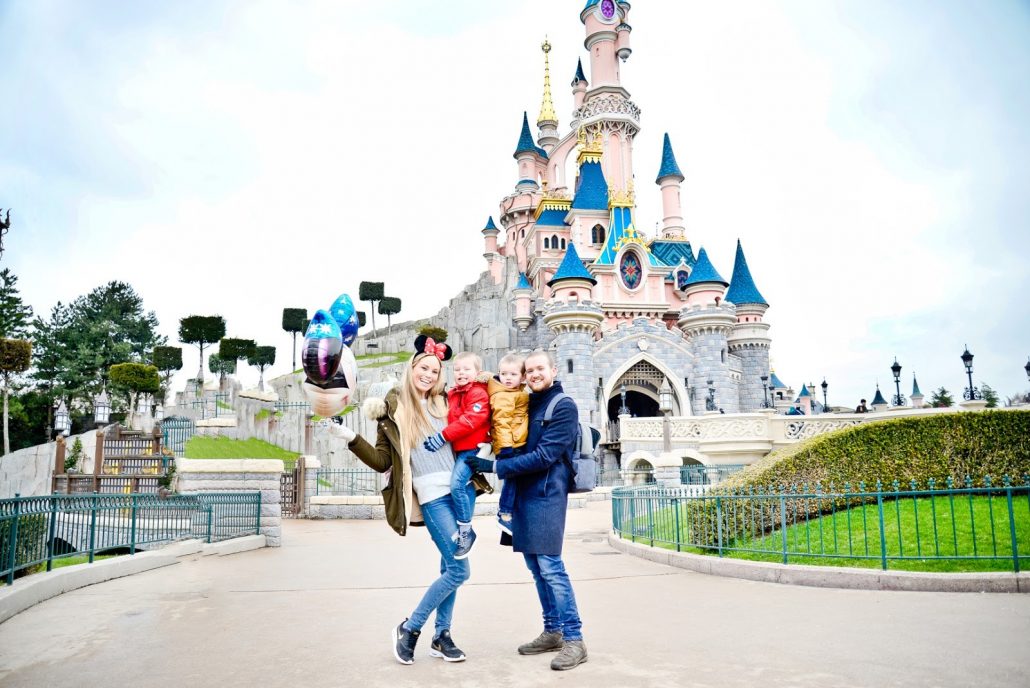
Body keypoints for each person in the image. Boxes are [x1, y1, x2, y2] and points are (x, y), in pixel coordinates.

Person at [327, 335, 476, 666]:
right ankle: (410, 628)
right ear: (412, 368)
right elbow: (383, 461)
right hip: (433, 498)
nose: (429, 375)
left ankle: (442, 636)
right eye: (424, 368)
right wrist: (349, 436)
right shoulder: (392, 411)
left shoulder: (446, 402)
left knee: (448, 566)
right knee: (458, 570)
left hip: (461, 493)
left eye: (435, 371)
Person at [463, 349, 588, 672]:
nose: (534, 374)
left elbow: (545, 456)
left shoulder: (563, 406)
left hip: (547, 495)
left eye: (539, 369)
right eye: (529, 370)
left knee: (551, 567)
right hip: (523, 494)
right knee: (536, 568)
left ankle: (574, 639)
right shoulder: (528, 401)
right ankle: (553, 630)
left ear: (553, 370)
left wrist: (494, 467)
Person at [422, 351, 491, 559]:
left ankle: (466, 531)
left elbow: (470, 421)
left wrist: (442, 436)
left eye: (466, 369)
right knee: (461, 485)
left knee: (457, 485)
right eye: (457, 369)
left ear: (477, 372)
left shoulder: (478, 393)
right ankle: (460, 528)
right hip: (458, 449)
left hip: (472, 449)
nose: (461, 373)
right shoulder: (452, 394)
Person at [486, 352, 530, 536]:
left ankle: (509, 513)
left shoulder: (516, 393)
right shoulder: (504, 395)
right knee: (512, 481)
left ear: (522, 377)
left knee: (516, 480)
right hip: (511, 446)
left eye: (513, 374)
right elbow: (501, 422)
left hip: (515, 442)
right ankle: (504, 514)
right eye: (503, 374)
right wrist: (506, 448)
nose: (508, 378)